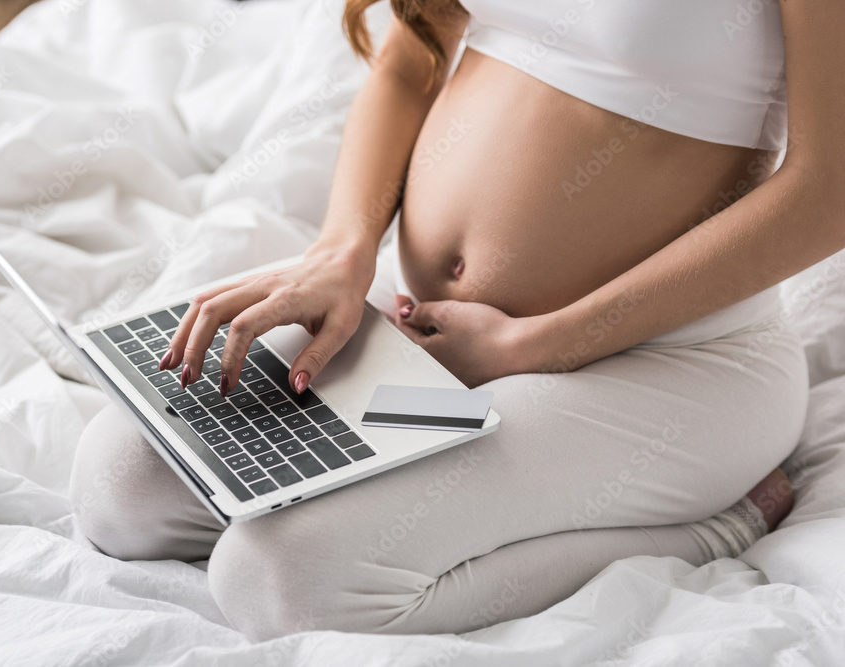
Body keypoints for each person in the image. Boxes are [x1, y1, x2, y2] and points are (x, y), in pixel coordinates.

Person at [70, 0, 844, 640]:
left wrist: (541, 339)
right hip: (436, 333)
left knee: (280, 578)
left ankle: (729, 518)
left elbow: (829, 187)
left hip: (670, 363)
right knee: (120, 484)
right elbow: (414, 53)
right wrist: (343, 251)